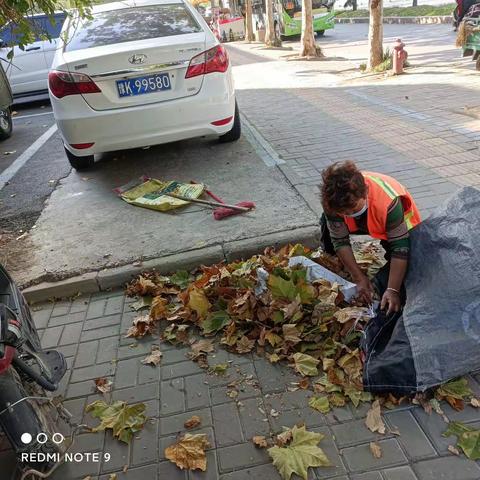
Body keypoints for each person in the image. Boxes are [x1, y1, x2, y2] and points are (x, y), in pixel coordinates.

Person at [320, 161, 421, 315]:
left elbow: (400, 248)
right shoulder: (333, 202)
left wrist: (392, 289)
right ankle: (334, 262)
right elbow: (339, 241)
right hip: (366, 221)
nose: (347, 214)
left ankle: (385, 288)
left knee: (398, 274)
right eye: (343, 212)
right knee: (327, 225)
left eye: (352, 208)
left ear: (364, 193)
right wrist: (358, 277)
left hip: (399, 228)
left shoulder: (388, 202)